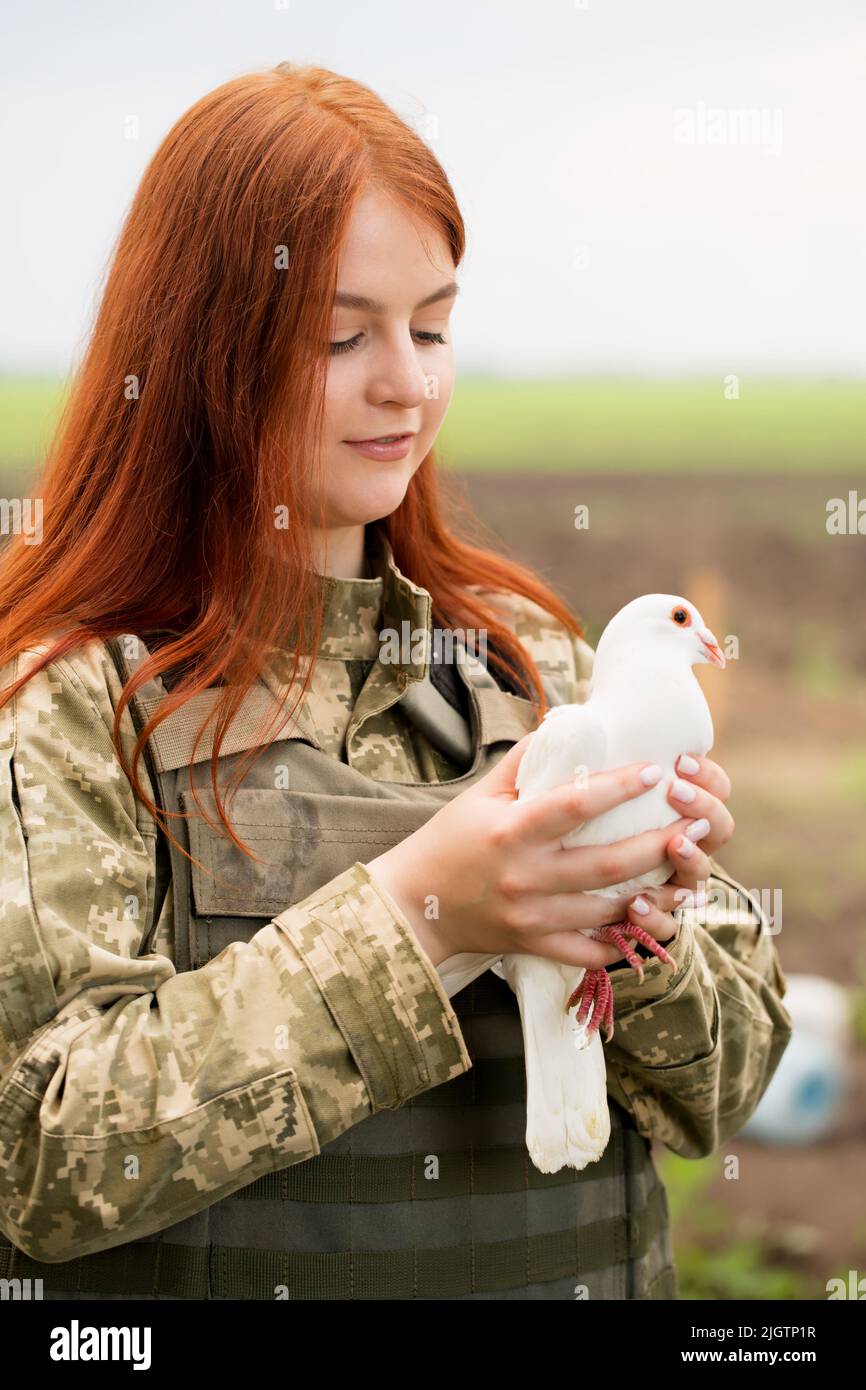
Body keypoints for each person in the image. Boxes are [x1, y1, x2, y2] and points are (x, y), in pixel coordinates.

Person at [0, 62, 792, 1301]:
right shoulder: (67, 700)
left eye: (430, 326)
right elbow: (38, 1158)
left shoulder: (540, 663)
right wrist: (427, 914)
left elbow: (727, 1084)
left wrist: (634, 925)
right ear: (202, 349)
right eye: (338, 336)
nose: (407, 384)